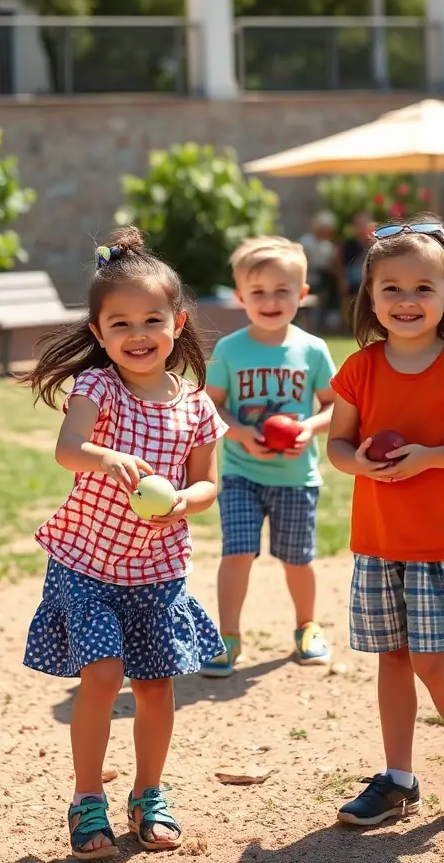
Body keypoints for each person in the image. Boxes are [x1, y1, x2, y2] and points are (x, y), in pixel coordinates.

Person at [22, 226, 227, 859]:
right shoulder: (97, 390)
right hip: (86, 562)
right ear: (97, 334)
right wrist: (105, 456)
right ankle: (87, 800)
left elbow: (207, 486)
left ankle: (149, 794)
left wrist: (185, 504)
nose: (138, 335)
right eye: (120, 325)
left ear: (178, 321)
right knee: (103, 676)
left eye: (152, 320)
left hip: (157, 570)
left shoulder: (196, 406)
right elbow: (66, 450)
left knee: (157, 687)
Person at [327, 216, 444, 826]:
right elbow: (339, 447)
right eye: (392, 288)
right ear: (371, 297)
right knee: (394, 659)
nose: (407, 300)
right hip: (379, 543)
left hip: (440, 540)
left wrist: (432, 457)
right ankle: (399, 778)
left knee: (433, 659)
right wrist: (364, 468)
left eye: (423, 288)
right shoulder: (359, 368)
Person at [199, 236, 336, 677]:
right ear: (240, 297)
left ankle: (307, 627)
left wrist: (307, 429)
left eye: (283, 290)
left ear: (303, 294)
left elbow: (335, 406)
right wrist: (239, 432)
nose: (271, 300)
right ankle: (228, 638)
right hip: (240, 472)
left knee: (297, 558)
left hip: (296, 476)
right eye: (258, 292)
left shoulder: (313, 349)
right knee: (237, 553)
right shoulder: (229, 350)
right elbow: (210, 404)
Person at [298, 210, 340, 326]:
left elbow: (333, 264)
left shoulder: (329, 246)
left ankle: (332, 315)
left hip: (324, 278)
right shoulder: (305, 242)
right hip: (310, 277)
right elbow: (306, 264)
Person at [337, 210, 376, 299]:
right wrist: (343, 280)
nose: (363, 229)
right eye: (359, 225)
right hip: (353, 284)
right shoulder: (347, 246)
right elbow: (340, 265)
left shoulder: (377, 246)